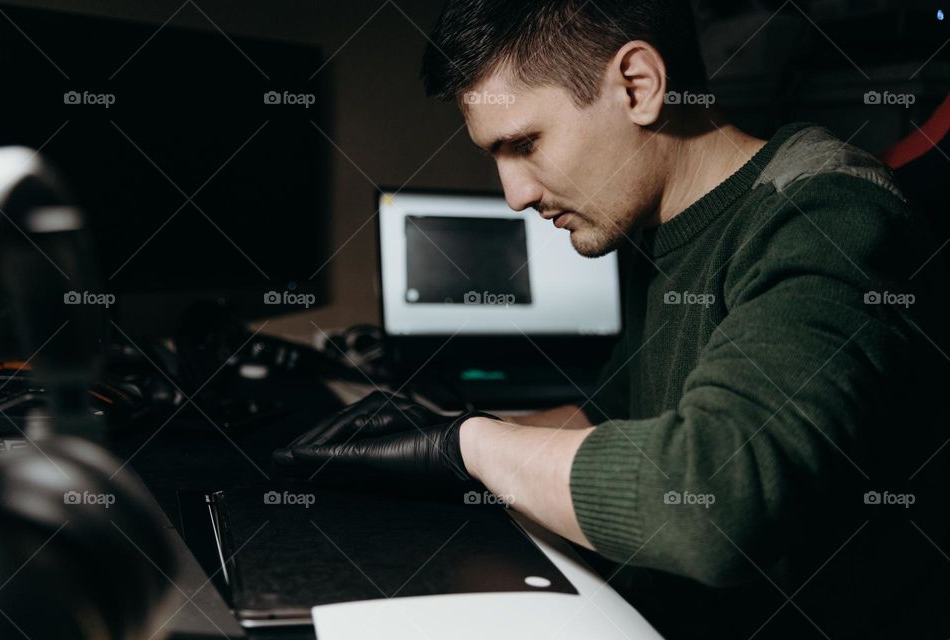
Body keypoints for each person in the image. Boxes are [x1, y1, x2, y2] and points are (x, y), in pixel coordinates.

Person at [274, 1, 950, 637]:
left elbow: (712, 498)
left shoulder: (828, 212)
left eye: (525, 143)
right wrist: (428, 429)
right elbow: (606, 419)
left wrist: (470, 446)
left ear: (639, 85)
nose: (515, 196)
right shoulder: (663, 235)